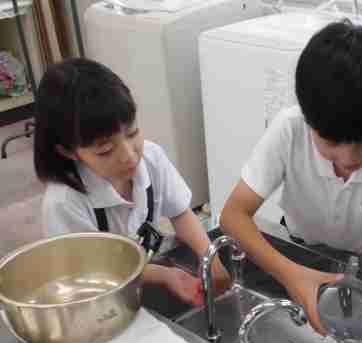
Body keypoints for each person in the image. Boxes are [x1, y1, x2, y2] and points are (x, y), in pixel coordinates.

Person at [220, 20, 362, 332]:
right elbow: (233, 214)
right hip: (299, 256)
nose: (349, 159)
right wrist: (290, 274)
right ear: (308, 119)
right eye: (331, 143)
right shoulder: (290, 129)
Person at [34, 58, 229, 305]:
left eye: (132, 133)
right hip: (102, 295)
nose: (129, 155)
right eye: (105, 150)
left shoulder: (151, 158)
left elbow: (180, 213)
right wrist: (164, 275)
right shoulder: (64, 203)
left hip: (139, 274)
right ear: (69, 152)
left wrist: (210, 258)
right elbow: (93, 271)